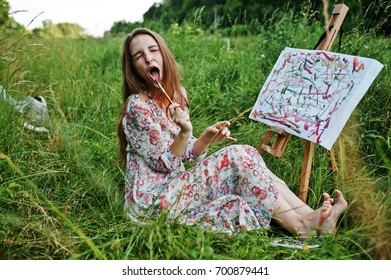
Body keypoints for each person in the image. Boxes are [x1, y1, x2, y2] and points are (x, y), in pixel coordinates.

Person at [117, 28, 348, 238]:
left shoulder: (177, 95)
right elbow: (164, 163)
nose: (148, 58)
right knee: (236, 157)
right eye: (139, 56)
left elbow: (185, 153)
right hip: (153, 201)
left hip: (175, 186)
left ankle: (313, 217)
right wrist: (185, 132)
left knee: (246, 152)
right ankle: (303, 226)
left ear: (163, 54)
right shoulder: (137, 106)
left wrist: (207, 137)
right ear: (134, 69)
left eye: (153, 50)